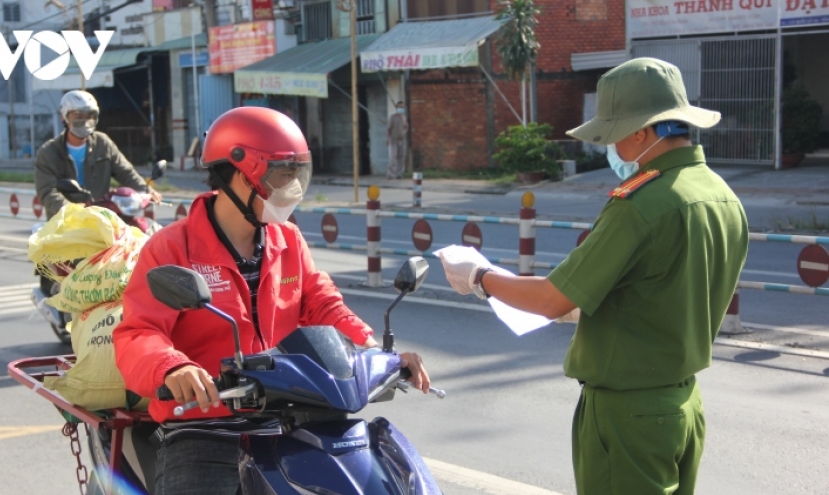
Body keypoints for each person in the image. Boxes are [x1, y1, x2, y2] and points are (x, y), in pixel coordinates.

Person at [437, 58, 748, 495]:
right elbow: (664, 290)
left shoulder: (641, 204)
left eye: (614, 134)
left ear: (640, 131)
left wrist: (481, 277)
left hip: (628, 413)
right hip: (683, 403)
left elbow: (551, 300)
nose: (612, 148)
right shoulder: (720, 195)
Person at [113, 106, 430, 495]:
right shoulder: (172, 248)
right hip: (205, 426)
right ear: (242, 174)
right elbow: (139, 332)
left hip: (290, 418)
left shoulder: (287, 239)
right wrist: (173, 369)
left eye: (298, 174)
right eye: (284, 174)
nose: (293, 187)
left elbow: (321, 305)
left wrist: (374, 352)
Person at [34, 90, 161, 219]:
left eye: (90, 116)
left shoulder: (103, 143)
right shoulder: (48, 152)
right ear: (64, 116)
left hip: (101, 218)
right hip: (64, 223)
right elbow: (47, 192)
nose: (85, 121)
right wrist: (73, 210)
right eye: (78, 116)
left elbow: (125, 172)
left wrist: (145, 190)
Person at [386, 100, 409, 179]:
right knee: (392, 158)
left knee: (401, 158)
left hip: (402, 140)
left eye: (402, 107)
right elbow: (389, 129)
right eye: (400, 107)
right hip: (394, 140)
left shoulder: (404, 117)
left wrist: (404, 132)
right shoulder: (392, 117)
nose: (401, 108)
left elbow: (406, 126)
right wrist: (388, 139)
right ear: (396, 108)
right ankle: (390, 174)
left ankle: (398, 174)